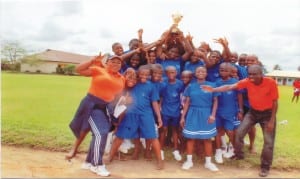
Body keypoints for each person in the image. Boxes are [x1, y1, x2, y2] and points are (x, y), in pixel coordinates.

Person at [202, 65, 279, 177]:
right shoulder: (247, 81)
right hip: (253, 112)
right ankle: (239, 154)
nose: (251, 76)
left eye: (254, 74)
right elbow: (229, 87)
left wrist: (272, 120)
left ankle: (265, 167)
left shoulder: (270, 83)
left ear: (261, 73)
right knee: (239, 133)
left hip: (267, 114)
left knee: (268, 142)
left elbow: (275, 102)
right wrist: (213, 89)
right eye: (250, 74)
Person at [68, 54, 125, 177]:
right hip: (91, 104)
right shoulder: (99, 70)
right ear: (108, 62)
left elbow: (117, 96)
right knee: (101, 133)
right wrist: (91, 61)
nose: (116, 64)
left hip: (105, 107)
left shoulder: (121, 78)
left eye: (118, 63)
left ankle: (88, 162)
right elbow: (79, 70)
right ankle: (97, 164)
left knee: (99, 133)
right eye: (113, 62)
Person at [107, 65, 164, 170]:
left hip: (146, 114)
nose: (144, 76)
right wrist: (125, 99)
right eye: (142, 74)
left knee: (152, 137)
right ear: (138, 74)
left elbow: (154, 102)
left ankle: (160, 160)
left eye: (147, 75)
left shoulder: (151, 86)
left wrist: (159, 117)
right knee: (120, 135)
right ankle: (110, 156)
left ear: (150, 75)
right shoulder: (133, 83)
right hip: (131, 113)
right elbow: (122, 88)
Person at [180, 66, 219, 172]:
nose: (201, 72)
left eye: (203, 71)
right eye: (198, 71)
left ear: (206, 73)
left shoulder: (212, 85)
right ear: (195, 74)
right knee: (191, 138)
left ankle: (208, 162)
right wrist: (183, 117)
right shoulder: (191, 87)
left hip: (206, 113)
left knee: (207, 139)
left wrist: (213, 115)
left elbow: (215, 101)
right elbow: (187, 103)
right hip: (192, 113)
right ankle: (189, 161)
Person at [214, 63, 243, 163]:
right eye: (221, 70)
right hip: (218, 111)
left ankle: (231, 147)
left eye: (226, 70)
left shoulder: (235, 82)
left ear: (231, 72)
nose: (223, 72)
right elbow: (215, 98)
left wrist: (240, 110)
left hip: (231, 111)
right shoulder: (217, 82)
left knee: (230, 131)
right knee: (218, 130)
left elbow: (239, 97)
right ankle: (220, 149)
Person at [159, 66, 184, 161]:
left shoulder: (180, 83)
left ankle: (176, 149)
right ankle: (160, 149)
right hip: (165, 109)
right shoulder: (163, 82)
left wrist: (181, 107)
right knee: (163, 129)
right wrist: (160, 107)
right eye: (169, 72)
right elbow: (161, 96)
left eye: (173, 72)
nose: (171, 74)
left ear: (176, 73)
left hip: (176, 110)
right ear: (166, 73)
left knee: (175, 129)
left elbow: (182, 96)